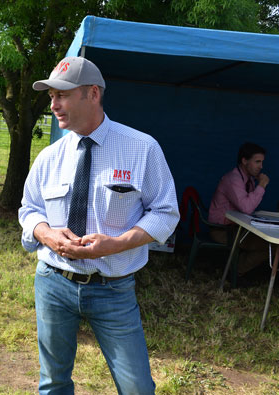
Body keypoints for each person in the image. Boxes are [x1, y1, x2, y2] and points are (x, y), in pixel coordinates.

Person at [19, 56, 179, 394]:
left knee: (137, 387)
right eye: (50, 97)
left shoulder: (141, 148)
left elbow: (165, 213)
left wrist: (117, 244)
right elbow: (29, 209)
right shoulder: (50, 156)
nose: (54, 105)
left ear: (93, 93)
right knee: (53, 383)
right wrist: (46, 234)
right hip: (53, 282)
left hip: (114, 289)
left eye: (61, 95)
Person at [208, 142, 270, 276]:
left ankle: (232, 268)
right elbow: (247, 208)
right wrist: (262, 185)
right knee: (270, 246)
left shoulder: (247, 179)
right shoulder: (234, 179)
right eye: (257, 162)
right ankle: (233, 271)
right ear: (244, 161)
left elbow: (248, 206)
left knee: (269, 243)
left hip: (236, 228)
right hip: (223, 231)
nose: (261, 166)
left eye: (262, 162)